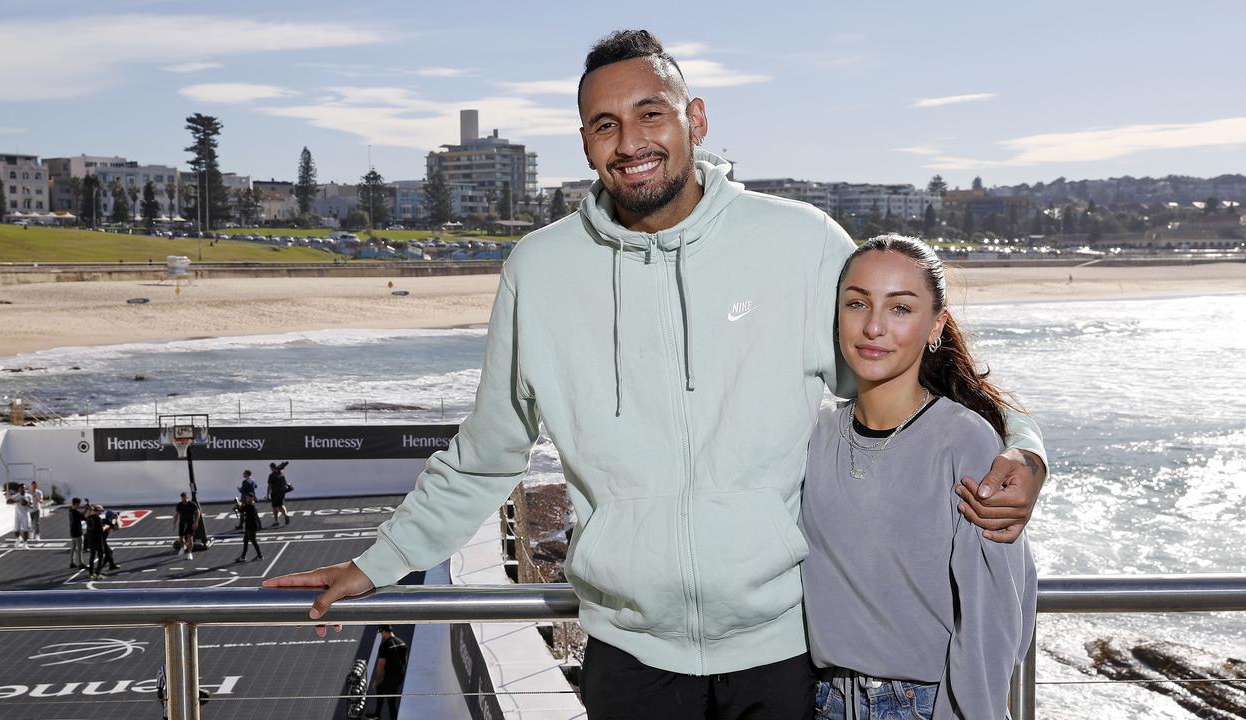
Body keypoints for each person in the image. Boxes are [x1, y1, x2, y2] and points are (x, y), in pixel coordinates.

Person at [266, 30, 1047, 719]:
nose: (630, 140)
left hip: (781, 649)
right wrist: (377, 563)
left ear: (694, 120)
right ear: (584, 142)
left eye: (650, 113)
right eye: (605, 124)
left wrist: (1023, 450)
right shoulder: (538, 270)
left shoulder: (799, 241)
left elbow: (910, 375)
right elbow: (488, 451)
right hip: (626, 655)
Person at [802, 235, 1037, 719]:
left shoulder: (965, 440)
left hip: (923, 705)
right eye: (857, 303)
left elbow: (992, 613)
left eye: (900, 308)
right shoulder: (814, 430)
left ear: (936, 326)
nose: (873, 327)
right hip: (818, 701)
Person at [365, 625, 408, 719]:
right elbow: (405, 661)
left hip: (390, 676)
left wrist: (376, 680)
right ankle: (377, 714)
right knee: (380, 689)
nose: (381, 635)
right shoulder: (402, 642)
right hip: (399, 675)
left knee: (391, 701)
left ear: (383, 631)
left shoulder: (385, 645)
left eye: (381, 633)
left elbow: (381, 665)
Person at [235, 493, 263, 562]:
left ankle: (259, 555)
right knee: (246, 541)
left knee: (253, 541)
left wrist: (238, 505)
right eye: (246, 498)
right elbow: (242, 509)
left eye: (248, 498)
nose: (247, 499)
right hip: (249, 526)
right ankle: (243, 556)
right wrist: (239, 506)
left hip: (251, 527)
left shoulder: (251, 506)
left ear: (252, 498)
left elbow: (241, 510)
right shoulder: (250, 505)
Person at [174, 491, 200, 561]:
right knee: (181, 538)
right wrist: (175, 523)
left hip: (190, 522)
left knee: (190, 538)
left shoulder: (192, 504)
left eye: (185, 497)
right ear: (181, 498)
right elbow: (176, 514)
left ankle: (189, 553)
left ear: (187, 497)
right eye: (182, 498)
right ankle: (183, 547)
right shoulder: (179, 505)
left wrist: (196, 522)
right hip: (182, 523)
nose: (183, 499)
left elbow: (198, 512)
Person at [84, 504, 107, 579]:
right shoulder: (98, 518)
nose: (101, 513)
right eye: (100, 511)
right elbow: (101, 530)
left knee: (92, 556)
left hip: (91, 540)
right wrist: (106, 527)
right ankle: (98, 573)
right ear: (98, 511)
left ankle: (91, 572)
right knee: (100, 556)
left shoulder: (89, 518)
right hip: (98, 540)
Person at [7, 483, 33, 549]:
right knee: (16, 530)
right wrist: (16, 501)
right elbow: (8, 501)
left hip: (25, 515)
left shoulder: (29, 496)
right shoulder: (16, 496)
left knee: (25, 529)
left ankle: (25, 544)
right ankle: (18, 539)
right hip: (17, 515)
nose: (23, 489)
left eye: (24, 488)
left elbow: (31, 506)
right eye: (21, 488)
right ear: (19, 489)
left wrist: (26, 503)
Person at [267, 461, 290, 526]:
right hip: (282, 492)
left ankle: (276, 521)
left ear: (272, 468)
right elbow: (285, 483)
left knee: (275, 507)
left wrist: (268, 494)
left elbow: (269, 486)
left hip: (274, 493)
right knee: (281, 505)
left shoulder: (271, 475)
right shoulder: (282, 474)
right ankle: (286, 515)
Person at [68, 497, 87, 569]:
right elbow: (84, 518)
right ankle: (80, 563)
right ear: (76, 504)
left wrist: (85, 510)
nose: (79, 505)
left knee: (73, 548)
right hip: (78, 532)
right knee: (79, 549)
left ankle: (72, 562)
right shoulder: (76, 512)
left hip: (72, 532)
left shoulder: (70, 510)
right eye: (78, 504)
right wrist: (87, 510)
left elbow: (81, 515)